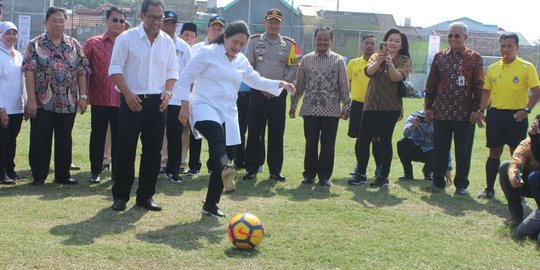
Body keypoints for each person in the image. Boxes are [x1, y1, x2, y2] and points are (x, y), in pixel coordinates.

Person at [178, 20, 296, 217]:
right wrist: (183, 106)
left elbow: (256, 80)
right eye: (235, 42)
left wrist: (281, 83)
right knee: (217, 139)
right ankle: (226, 167)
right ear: (225, 37)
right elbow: (185, 77)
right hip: (203, 106)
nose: (238, 47)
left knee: (229, 152)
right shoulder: (207, 53)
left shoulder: (241, 60)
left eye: (242, 44)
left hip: (228, 111)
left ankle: (211, 204)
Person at [108, 0, 178, 212]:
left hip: (157, 103)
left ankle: (146, 196)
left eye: (160, 18)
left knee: (153, 151)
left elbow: (172, 72)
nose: (157, 22)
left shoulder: (167, 41)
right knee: (125, 149)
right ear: (141, 16)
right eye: (152, 17)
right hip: (132, 100)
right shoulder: (126, 38)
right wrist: (128, 94)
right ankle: (121, 196)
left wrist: (167, 92)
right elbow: (115, 69)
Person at [22, 7, 90, 186]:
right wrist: (31, 99)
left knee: (64, 139)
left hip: (68, 101)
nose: (58, 24)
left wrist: (83, 96)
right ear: (46, 22)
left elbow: (82, 71)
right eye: (54, 20)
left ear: (65, 23)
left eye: (61, 20)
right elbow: (29, 72)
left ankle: (63, 174)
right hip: (42, 101)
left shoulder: (74, 44)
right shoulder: (35, 44)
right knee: (40, 138)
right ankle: (38, 175)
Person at [477, 33, 540, 199]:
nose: (505, 49)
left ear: (517, 47)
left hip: (516, 116)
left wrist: (526, 110)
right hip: (496, 115)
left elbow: (537, 91)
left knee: (517, 154)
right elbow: (487, 92)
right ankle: (489, 189)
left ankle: (518, 190)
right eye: (503, 45)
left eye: (509, 46)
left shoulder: (527, 67)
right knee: (494, 152)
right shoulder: (492, 68)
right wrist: (481, 110)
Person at [424, 22, 484, 194]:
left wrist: (476, 110)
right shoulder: (439, 57)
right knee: (440, 148)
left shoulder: (474, 58)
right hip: (442, 111)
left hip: (465, 113)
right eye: (450, 35)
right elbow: (432, 83)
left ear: (465, 37)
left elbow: (479, 85)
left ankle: (461, 185)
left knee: (463, 150)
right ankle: (437, 181)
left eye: (457, 35)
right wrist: (429, 106)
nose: (453, 39)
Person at [242, 8, 300, 182]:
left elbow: (293, 68)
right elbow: (248, 67)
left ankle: (275, 170)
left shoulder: (290, 45)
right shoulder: (253, 42)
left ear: (281, 24)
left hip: (278, 94)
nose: (273, 25)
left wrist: (278, 88)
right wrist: (261, 87)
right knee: (254, 130)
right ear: (264, 23)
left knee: (276, 133)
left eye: (277, 22)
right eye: (271, 21)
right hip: (258, 92)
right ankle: (252, 167)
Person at [290, 27, 350, 187]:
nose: (322, 42)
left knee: (328, 144)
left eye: (326, 39)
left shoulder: (338, 60)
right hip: (310, 109)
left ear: (331, 41)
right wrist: (294, 104)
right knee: (310, 143)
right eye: (319, 39)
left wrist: (347, 106)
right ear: (315, 39)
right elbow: (300, 84)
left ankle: (324, 176)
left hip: (331, 111)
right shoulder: (306, 60)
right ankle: (309, 174)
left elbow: (344, 85)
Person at [351, 28, 411, 188]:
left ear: (401, 45)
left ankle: (383, 176)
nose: (393, 43)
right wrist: (379, 61)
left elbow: (396, 77)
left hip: (390, 107)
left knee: (385, 141)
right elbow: (369, 72)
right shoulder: (376, 56)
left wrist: (390, 64)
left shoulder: (404, 59)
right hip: (370, 104)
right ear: (385, 41)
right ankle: (361, 174)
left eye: (397, 41)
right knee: (363, 139)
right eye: (390, 40)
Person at [84, 6, 126, 184]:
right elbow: (83, 70)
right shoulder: (93, 43)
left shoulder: (128, 42)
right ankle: (95, 170)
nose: (118, 23)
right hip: (99, 98)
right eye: (114, 20)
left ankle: (118, 172)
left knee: (120, 137)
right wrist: (83, 95)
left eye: (121, 21)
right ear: (106, 20)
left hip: (122, 99)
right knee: (98, 136)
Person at [185, 15, 225, 176]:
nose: (216, 30)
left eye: (220, 28)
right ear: (208, 29)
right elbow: (188, 73)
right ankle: (194, 165)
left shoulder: (225, 50)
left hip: (216, 98)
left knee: (214, 133)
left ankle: (212, 165)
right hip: (197, 96)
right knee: (195, 132)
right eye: (214, 27)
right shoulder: (196, 48)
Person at [345, 34, 384, 185]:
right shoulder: (353, 63)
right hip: (358, 105)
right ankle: (360, 167)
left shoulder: (380, 64)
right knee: (360, 138)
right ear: (362, 46)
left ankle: (379, 167)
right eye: (366, 43)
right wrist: (346, 106)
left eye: (372, 44)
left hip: (375, 106)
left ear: (376, 47)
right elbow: (348, 85)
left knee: (376, 138)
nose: (369, 46)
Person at [498, 115, 540, 243]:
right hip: (531, 185)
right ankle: (516, 214)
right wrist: (513, 176)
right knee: (505, 167)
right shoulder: (527, 143)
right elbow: (516, 162)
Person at [161, 10, 191, 183]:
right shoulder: (155, 42)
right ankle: (157, 166)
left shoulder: (183, 46)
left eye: (173, 23)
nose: (170, 26)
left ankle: (173, 170)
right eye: (167, 23)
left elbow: (189, 75)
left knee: (175, 136)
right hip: (157, 96)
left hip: (176, 99)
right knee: (154, 135)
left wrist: (185, 102)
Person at [396, 110, 453, 183]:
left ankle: (428, 172)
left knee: (439, 151)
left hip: (430, 151)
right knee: (402, 143)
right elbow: (406, 135)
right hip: (415, 148)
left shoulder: (440, 119)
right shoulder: (414, 115)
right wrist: (413, 126)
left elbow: (445, 144)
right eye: (427, 109)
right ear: (424, 105)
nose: (430, 112)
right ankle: (408, 174)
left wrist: (447, 168)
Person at [0, 22, 24, 184]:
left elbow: (22, 81)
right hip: (4, 107)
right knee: (2, 141)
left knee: (12, 140)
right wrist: (1, 108)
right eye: (8, 33)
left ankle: (10, 169)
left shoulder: (17, 54)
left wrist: (26, 103)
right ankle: (1, 173)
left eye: (14, 33)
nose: (11, 37)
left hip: (17, 107)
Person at [178, 22, 197, 173]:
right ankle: (164, 161)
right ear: (180, 35)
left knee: (186, 131)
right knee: (167, 131)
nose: (189, 38)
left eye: (192, 36)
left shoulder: (198, 51)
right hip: (173, 97)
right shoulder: (174, 48)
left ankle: (182, 163)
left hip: (190, 98)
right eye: (186, 35)